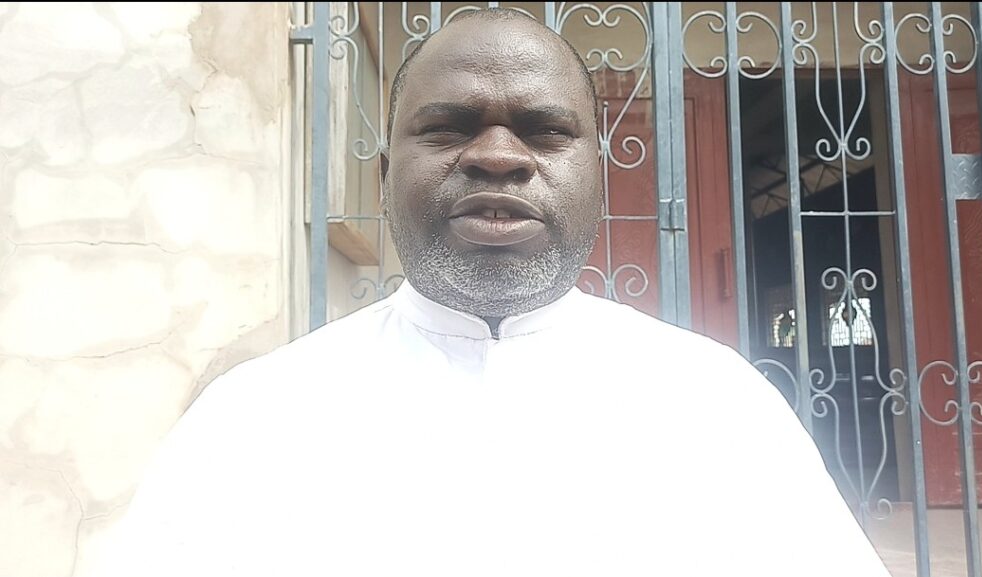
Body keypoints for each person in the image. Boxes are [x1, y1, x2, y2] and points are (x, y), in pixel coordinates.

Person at [98, 9, 892, 577]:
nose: (499, 157)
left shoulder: (718, 405)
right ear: (385, 177)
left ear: (597, 177)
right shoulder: (253, 417)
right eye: (448, 127)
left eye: (545, 130)